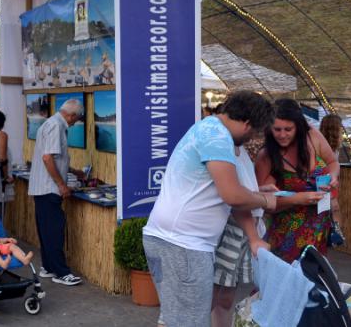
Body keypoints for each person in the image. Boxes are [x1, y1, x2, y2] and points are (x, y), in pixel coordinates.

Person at [142, 91, 277, 326]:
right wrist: (266, 201)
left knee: (176, 318)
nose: (251, 140)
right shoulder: (218, 137)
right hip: (184, 246)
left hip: (167, 239)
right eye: (254, 133)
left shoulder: (207, 128)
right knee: (190, 322)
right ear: (247, 124)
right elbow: (232, 195)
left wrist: (255, 195)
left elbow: (222, 191)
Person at [255, 99, 340, 263]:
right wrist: (297, 199)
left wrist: (333, 176)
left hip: (318, 229)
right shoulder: (266, 157)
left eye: (288, 129)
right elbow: (262, 202)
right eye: (277, 129)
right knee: (286, 282)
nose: (282, 134)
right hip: (287, 236)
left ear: (298, 127)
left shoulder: (313, 136)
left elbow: (332, 162)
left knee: (313, 281)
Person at [211, 145, 278, 327]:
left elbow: (241, 187)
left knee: (226, 297)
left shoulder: (241, 150)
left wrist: (260, 190)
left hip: (245, 231)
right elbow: (233, 195)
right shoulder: (223, 147)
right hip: (232, 228)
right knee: (212, 296)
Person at [28, 99, 87, 286]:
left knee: (46, 230)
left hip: (41, 187)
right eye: (76, 119)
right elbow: (48, 158)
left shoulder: (50, 123)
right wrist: (62, 184)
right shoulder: (57, 126)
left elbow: (55, 158)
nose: (75, 123)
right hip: (49, 188)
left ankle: (48, 266)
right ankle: (61, 272)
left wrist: (75, 172)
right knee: (54, 231)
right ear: (71, 115)